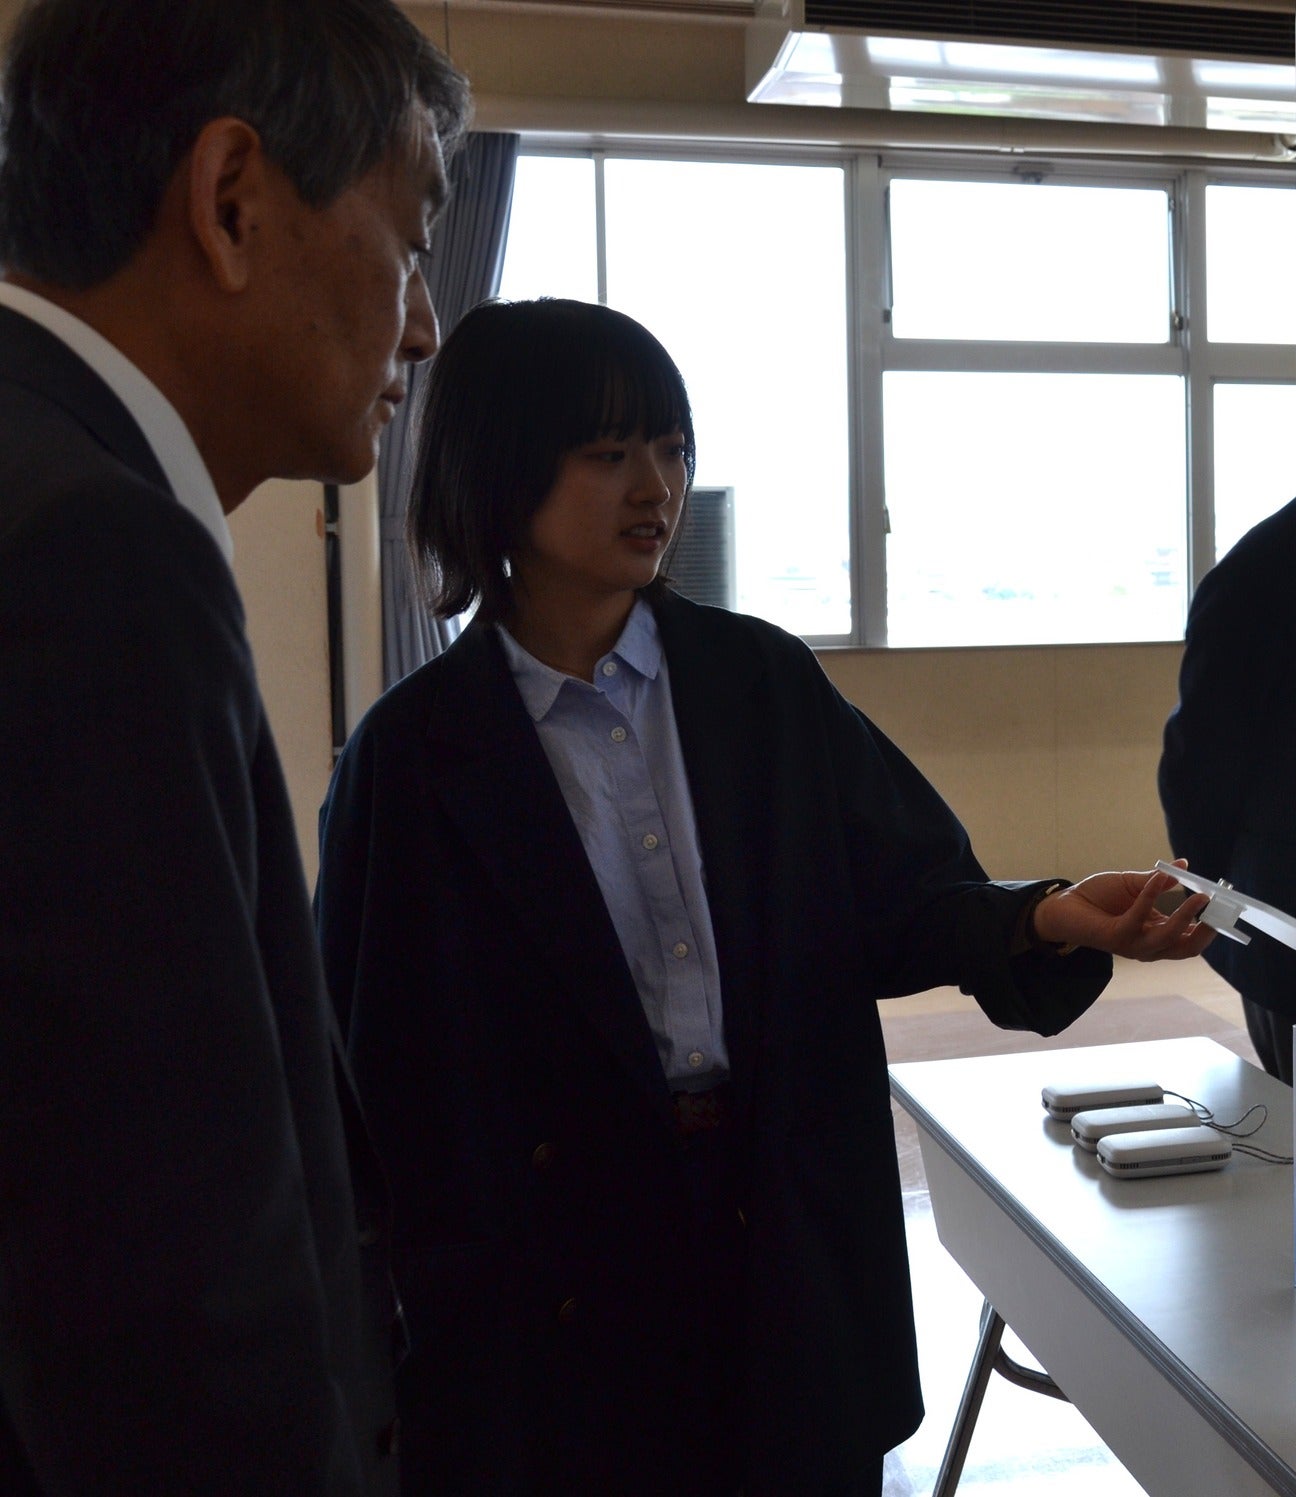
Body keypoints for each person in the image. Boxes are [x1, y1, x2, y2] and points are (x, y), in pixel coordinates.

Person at [314, 297, 1215, 1495]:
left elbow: (895, 899)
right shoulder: (415, 754)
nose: (656, 488)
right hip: (560, 1278)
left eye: (672, 449)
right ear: (499, 471)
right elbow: (369, 1079)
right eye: (609, 453)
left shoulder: (759, 684)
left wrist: (1043, 916)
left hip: (777, 1219)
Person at [0, 2, 468, 1490]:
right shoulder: (89, 551)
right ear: (231, 201)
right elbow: (160, 1267)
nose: (422, 325)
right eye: (410, 244)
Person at [1159, 498, 1296, 1082]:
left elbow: (1198, 761)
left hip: (1294, 907)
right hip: (1288, 914)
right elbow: (1202, 762)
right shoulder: (1264, 569)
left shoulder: (1265, 564)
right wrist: (1210, 893)